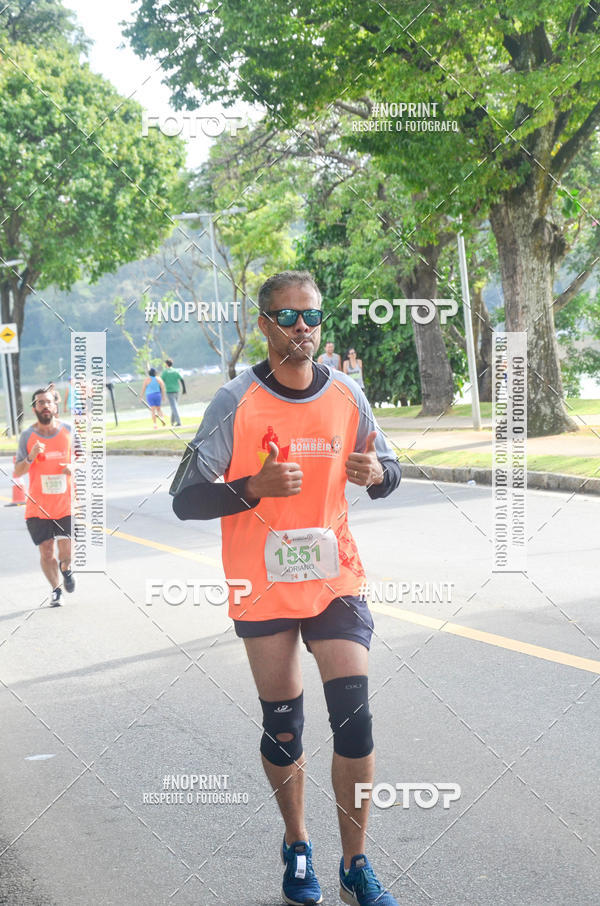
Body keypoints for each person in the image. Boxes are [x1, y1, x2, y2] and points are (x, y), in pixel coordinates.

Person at [173, 270, 402, 906]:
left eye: (313, 316)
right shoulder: (234, 401)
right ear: (264, 324)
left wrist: (377, 472)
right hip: (263, 584)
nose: (304, 327)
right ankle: (298, 844)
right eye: (290, 317)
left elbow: (390, 469)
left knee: (354, 724)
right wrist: (253, 489)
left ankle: (355, 863)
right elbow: (186, 499)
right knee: (285, 727)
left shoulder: (347, 393)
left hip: (336, 579)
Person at [14, 388, 75, 607]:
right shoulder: (27, 436)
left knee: (66, 550)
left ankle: (66, 571)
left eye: (48, 402)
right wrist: (30, 457)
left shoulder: (68, 431)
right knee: (46, 550)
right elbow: (18, 471)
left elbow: (84, 459)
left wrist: (73, 466)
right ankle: (56, 589)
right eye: (40, 403)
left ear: (55, 406)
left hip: (65, 504)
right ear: (34, 408)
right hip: (38, 507)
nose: (45, 406)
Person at [161, 358, 186, 426]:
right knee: (174, 406)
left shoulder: (165, 372)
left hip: (170, 391)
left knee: (174, 407)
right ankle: (172, 421)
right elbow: (182, 380)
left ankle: (179, 422)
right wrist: (184, 389)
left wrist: (160, 391)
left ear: (166, 364)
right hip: (177, 390)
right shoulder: (175, 371)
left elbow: (161, 382)